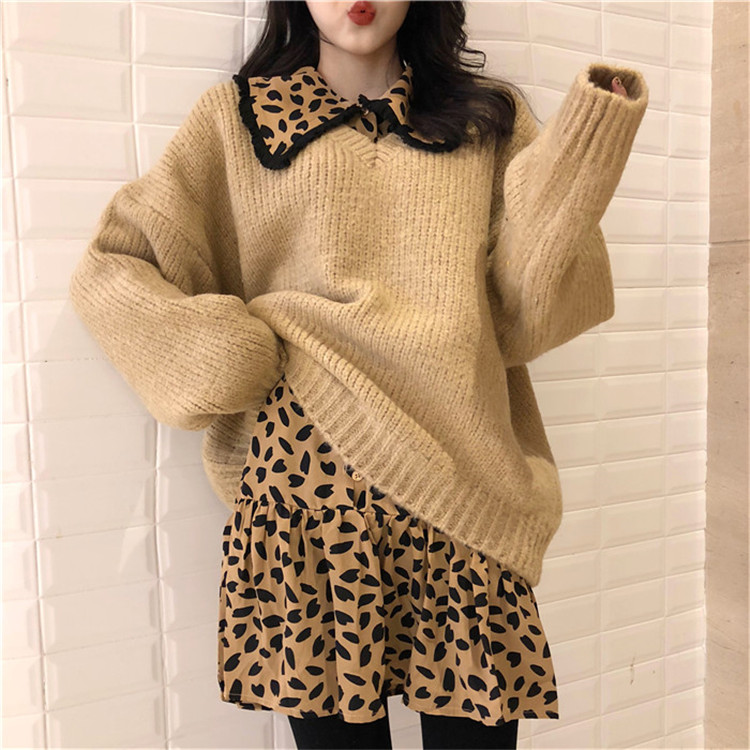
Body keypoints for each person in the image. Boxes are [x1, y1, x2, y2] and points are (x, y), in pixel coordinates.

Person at [68, 1, 647, 748]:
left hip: (461, 477)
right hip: (308, 491)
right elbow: (116, 264)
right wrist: (218, 354)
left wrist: (582, 153)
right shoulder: (238, 122)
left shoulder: (485, 122)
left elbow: (520, 319)